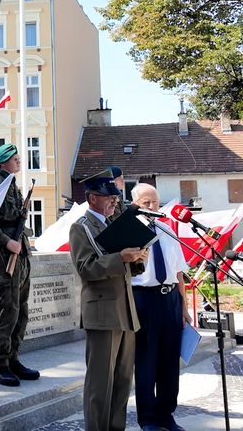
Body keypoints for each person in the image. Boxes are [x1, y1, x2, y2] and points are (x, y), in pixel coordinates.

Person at [69, 175, 147, 431]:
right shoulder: (81, 227)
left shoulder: (115, 224)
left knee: (123, 381)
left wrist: (136, 258)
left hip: (124, 311)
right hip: (102, 313)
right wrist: (120, 258)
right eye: (109, 197)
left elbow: (127, 271)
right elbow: (86, 268)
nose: (115, 201)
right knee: (100, 384)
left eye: (116, 197)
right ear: (93, 198)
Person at [130, 183, 191, 431]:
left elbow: (179, 273)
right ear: (135, 204)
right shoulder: (131, 231)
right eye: (147, 203)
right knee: (146, 361)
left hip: (170, 300)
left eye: (155, 201)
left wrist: (184, 308)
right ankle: (148, 418)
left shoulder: (167, 230)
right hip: (144, 299)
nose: (153, 207)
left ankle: (167, 413)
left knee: (168, 361)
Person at [0, 143, 37, 387]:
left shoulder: (12, 185)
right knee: (6, 313)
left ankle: (14, 359)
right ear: (3, 161)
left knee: (21, 311)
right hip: (3, 260)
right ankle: (0, 365)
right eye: (15, 158)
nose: (19, 162)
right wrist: (6, 241)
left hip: (21, 258)